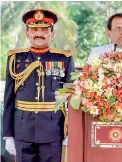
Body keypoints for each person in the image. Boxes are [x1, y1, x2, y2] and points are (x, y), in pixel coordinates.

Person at [3, 9, 75, 162]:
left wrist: (70, 132)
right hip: (23, 130)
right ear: (27, 33)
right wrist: (8, 135)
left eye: (44, 30)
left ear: (52, 34)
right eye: (34, 30)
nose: (39, 34)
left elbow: (70, 98)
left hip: (53, 130)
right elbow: (9, 99)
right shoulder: (15, 58)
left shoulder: (64, 59)